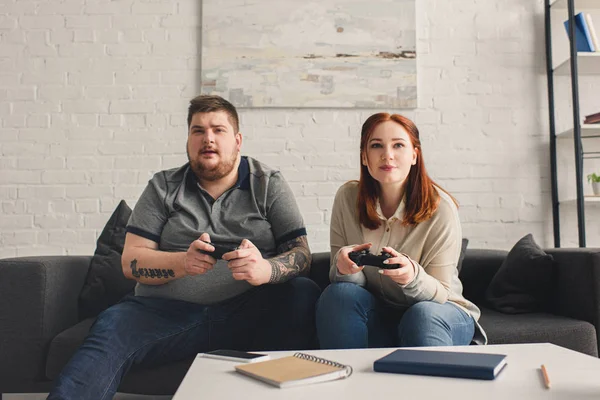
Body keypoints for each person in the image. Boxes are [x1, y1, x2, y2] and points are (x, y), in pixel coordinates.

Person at [48, 95, 321, 399]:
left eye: (218, 130)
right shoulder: (163, 186)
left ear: (238, 140)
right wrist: (182, 263)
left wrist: (266, 269)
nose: (208, 139)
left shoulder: (268, 183)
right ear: (188, 139)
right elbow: (131, 261)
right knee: (110, 331)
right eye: (198, 130)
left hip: (248, 309)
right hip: (161, 312)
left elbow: (302, 254)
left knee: (302, 292)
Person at [316, 112, 486, 349]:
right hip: (379, 311)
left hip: (440, 310)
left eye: (398, 145)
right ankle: (346, 380)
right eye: (376, 146)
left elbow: (441, 293)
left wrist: (412, 277)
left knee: (422, 315)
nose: (387, 155)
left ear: (414, 155)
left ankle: (429, 384)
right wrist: (345, 269)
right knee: (338, 295)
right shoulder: (347, 198)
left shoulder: (441, 208)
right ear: (364, 157)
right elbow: (342, 281)